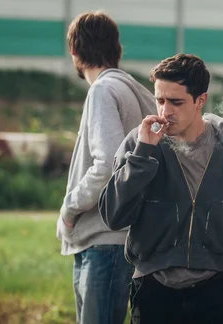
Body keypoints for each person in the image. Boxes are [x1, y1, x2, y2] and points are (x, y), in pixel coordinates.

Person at [98, 53, 223, 324]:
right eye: (160, 100)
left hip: (217, 294)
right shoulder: (140, 144)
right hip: (154, 293)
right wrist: (143, 155)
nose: (165, 111)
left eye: (176, 102)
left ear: (200, 100)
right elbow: (114, 215)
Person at [56, 11, 156, 324]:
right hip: (121, 241)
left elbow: (109, 164)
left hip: (104, 242)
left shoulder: (102, 90)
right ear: (116, 49)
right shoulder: (132, 90)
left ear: (75, 51)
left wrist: (70, 208)